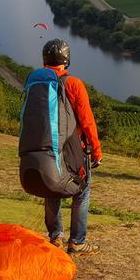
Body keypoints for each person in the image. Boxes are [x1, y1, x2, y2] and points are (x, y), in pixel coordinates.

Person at [40, 39, 102, 256]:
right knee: (82, 191)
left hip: (45, 148)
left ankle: (55, 237)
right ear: (67, 60)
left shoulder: (38, 83)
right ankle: (77, 241)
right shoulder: (73, 84)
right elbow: (87, 120)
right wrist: (96, 150)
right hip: (73, 149)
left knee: (51, 189)